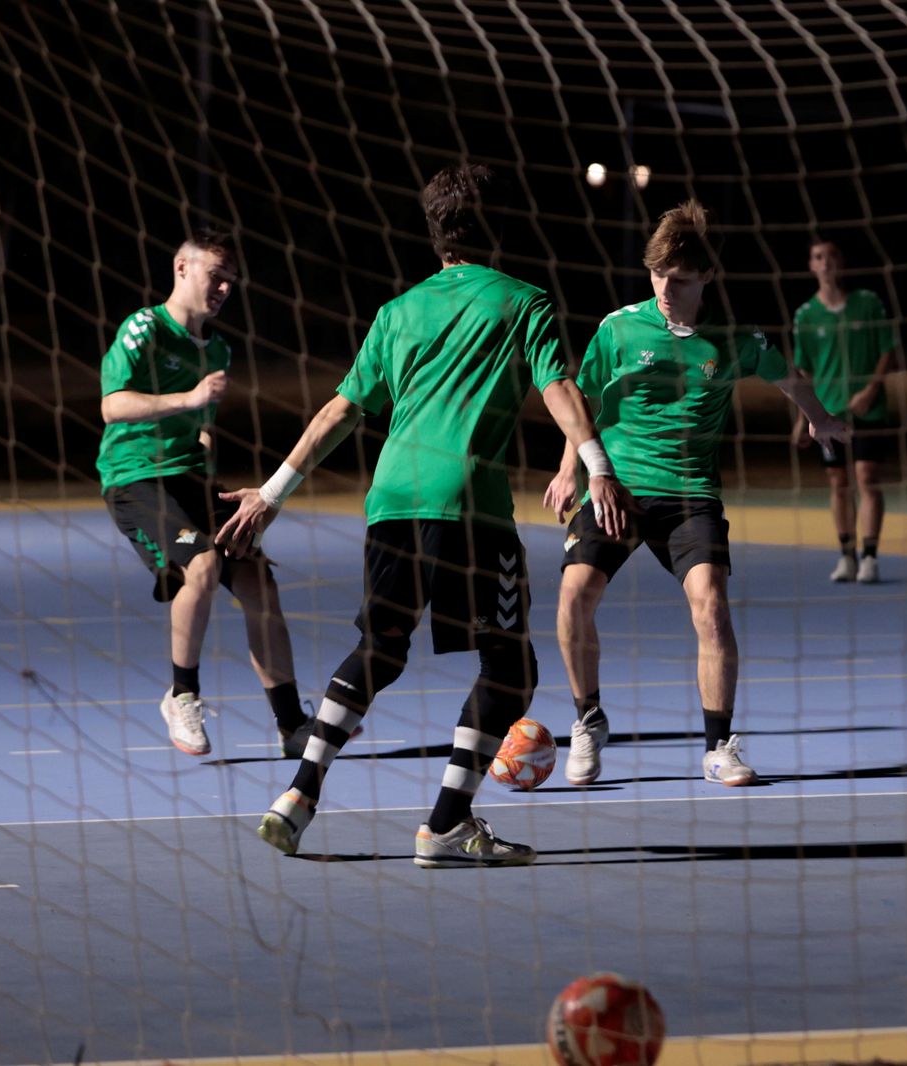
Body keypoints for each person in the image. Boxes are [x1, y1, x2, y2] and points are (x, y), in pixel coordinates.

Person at [218, 165, 630, 865]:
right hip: (470, 508)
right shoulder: (523, 301)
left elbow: (340, 410)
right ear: (496, 229)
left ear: (435, 236)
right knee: (510, 668)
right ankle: (445, 823)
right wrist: (599, 469)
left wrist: (271, 491)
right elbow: (558, 386)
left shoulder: (397, 312)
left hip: (391, 503)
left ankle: (298, 793)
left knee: (380, 646)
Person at [544, 201, 847, 788]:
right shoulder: (618, 328)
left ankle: (718, 747)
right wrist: (570, 471)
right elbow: (580, 402)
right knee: (573, 596)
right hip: (619, 489)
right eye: (657, 274)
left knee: (711, 607)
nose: (664, 287)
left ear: (707, 276)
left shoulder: (732, 340)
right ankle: (587, 722)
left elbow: (789, 377)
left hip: (690, 494)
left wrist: (820, 419)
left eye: (679, 279)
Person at [98, 228, 313, 759]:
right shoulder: (144, 328)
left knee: (259, 580)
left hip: (191, 479)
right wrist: (186, 397)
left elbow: (203, 428)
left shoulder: (218, 348)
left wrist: (215, 485)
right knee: (201, 567)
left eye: (230, 282)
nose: (222, 290)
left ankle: (292, 724)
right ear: (182, 268)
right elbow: (113, 405)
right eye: (215, 277)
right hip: (135, 477)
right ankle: (182, 695)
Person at [790, 239, 898, 584]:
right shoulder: (806, 315)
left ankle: (870, 556)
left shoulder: (867, 304)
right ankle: (846, 555)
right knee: (838, 482)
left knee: (866, 477)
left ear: (842, 262)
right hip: (827, 413)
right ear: (811, 265)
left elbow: (888, 351)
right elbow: (804, 371)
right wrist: (803, 417)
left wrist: (871, 389)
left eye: (832, 255)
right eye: (818, 257)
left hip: (867, 409)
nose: (826, 262)